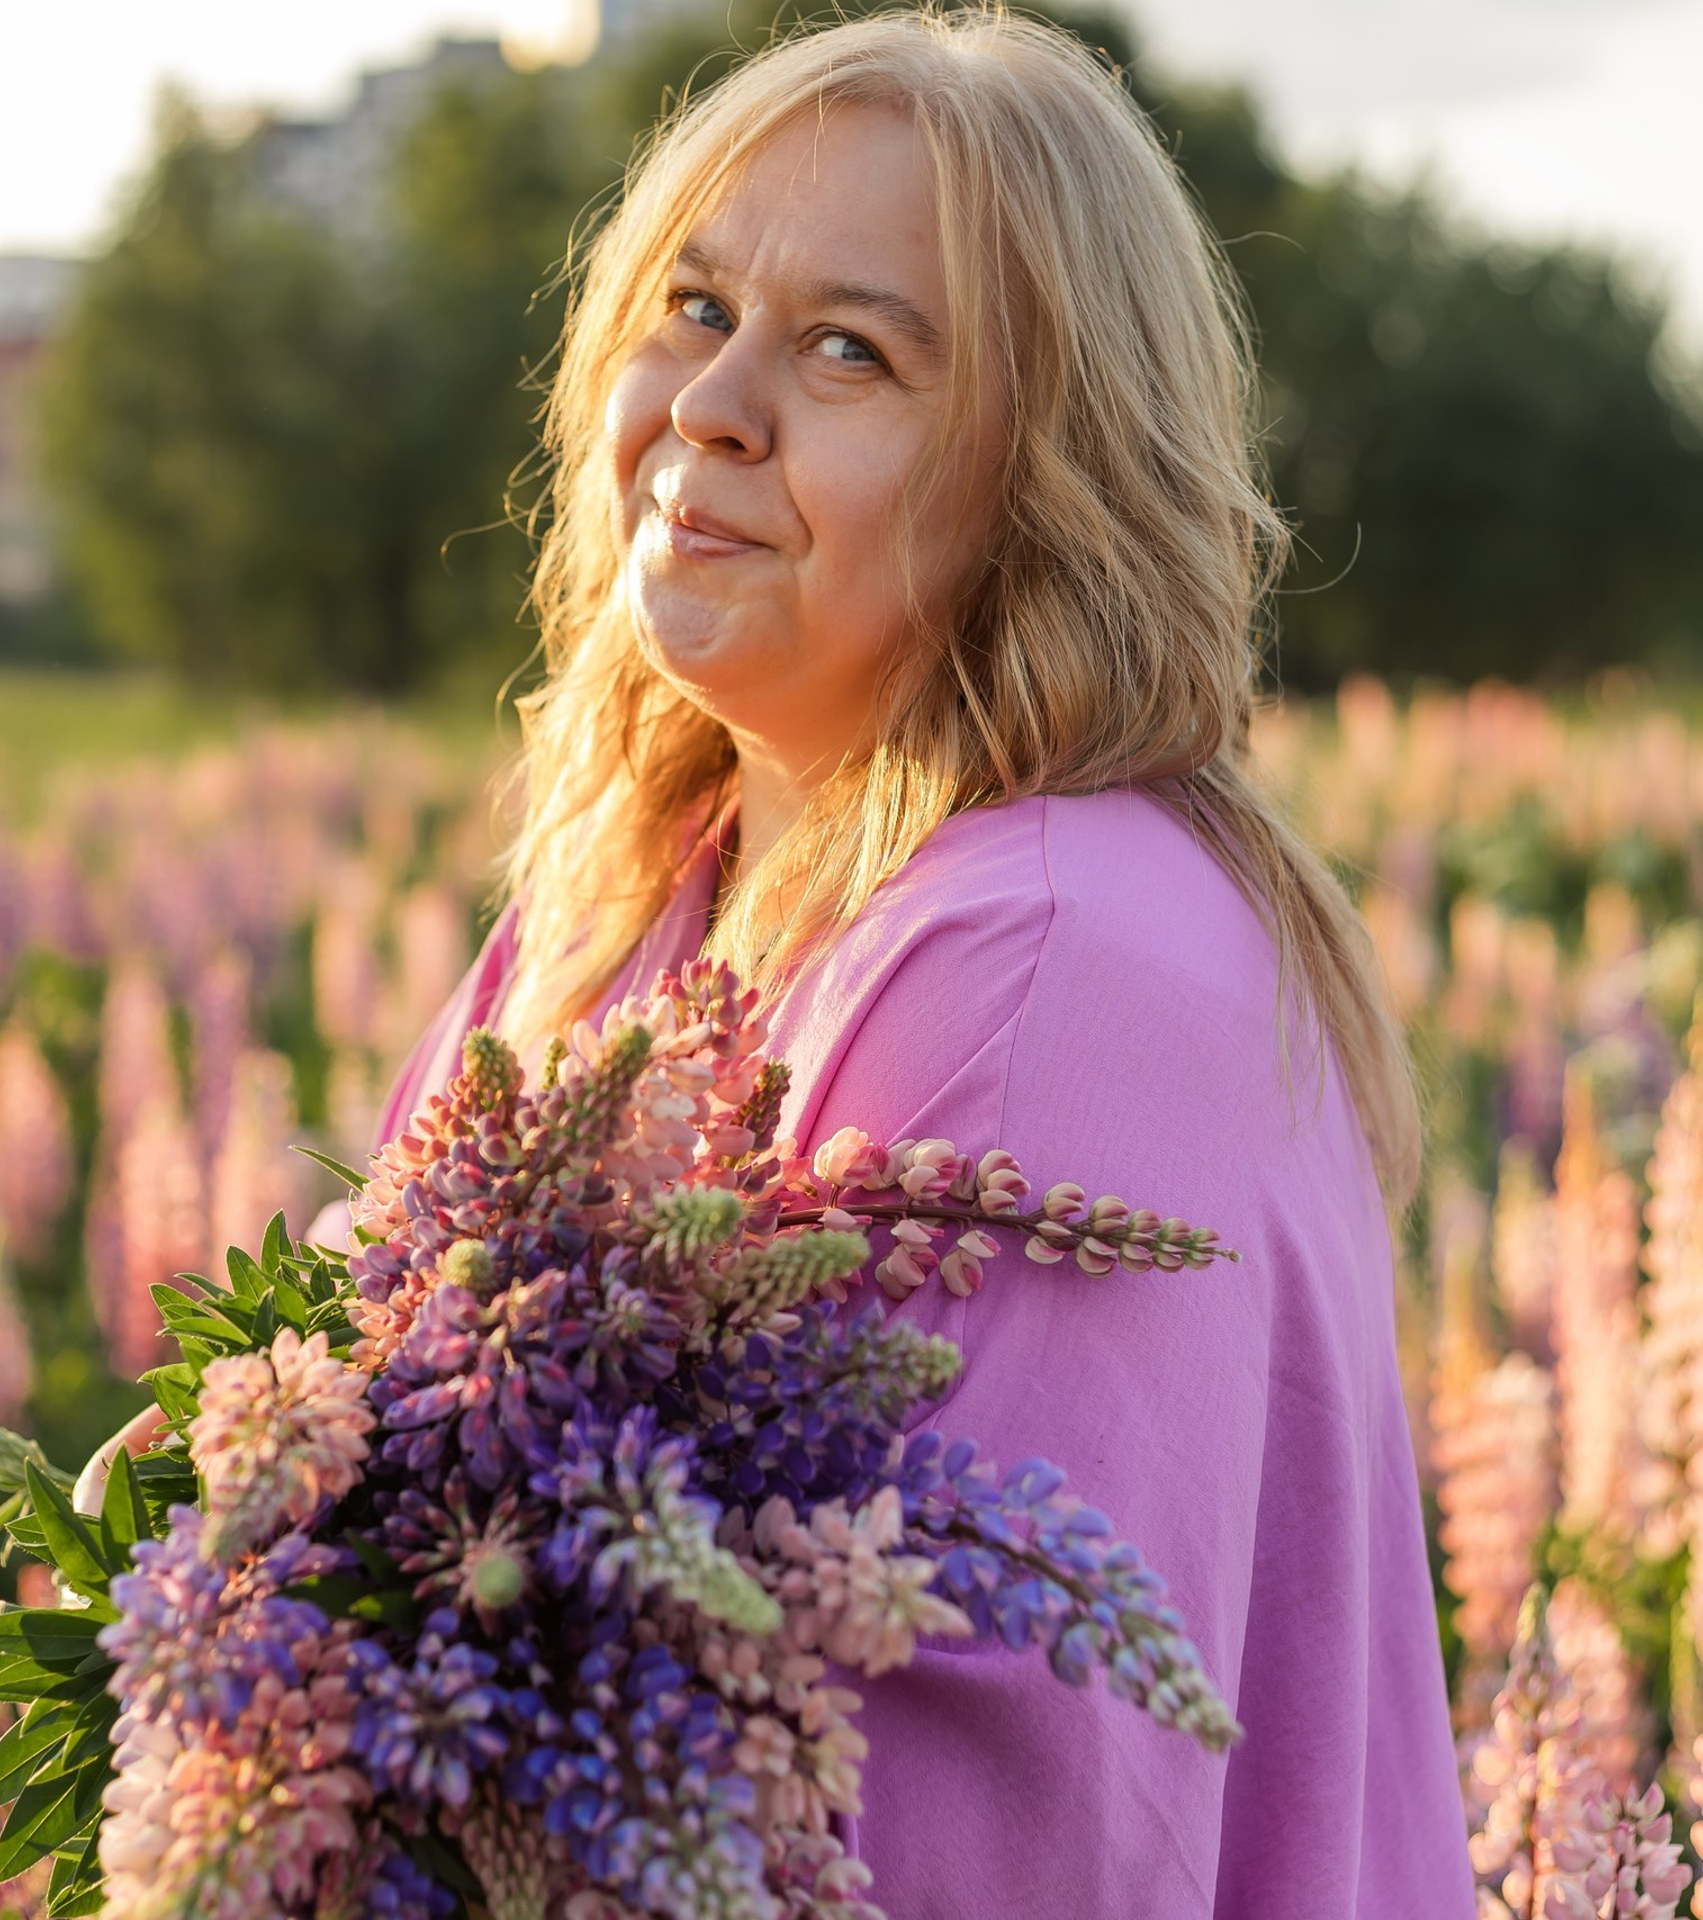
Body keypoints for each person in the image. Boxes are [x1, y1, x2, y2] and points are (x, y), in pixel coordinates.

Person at [88, 8, 1474, 1913]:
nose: (717, 402)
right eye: (695, 303)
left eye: (851, 349)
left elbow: (972, 1849)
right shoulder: (645, 890)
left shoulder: (1053, 959)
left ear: (1047, 475)